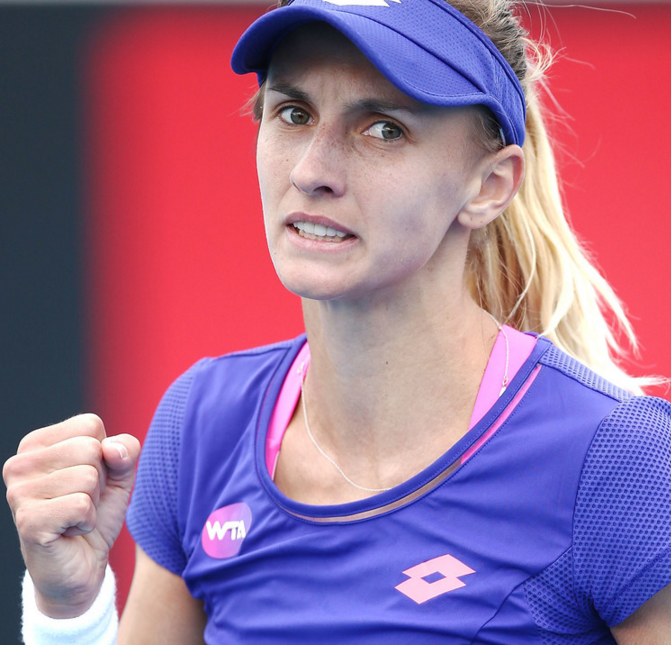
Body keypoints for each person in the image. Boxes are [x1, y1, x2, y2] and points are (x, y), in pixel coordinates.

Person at [4, 0, 671, 642]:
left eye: (382, 128)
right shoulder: (204, 422)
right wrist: (69, 612)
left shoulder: (621, 461)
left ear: (489, 185)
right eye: (293, 113)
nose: (310, 170)